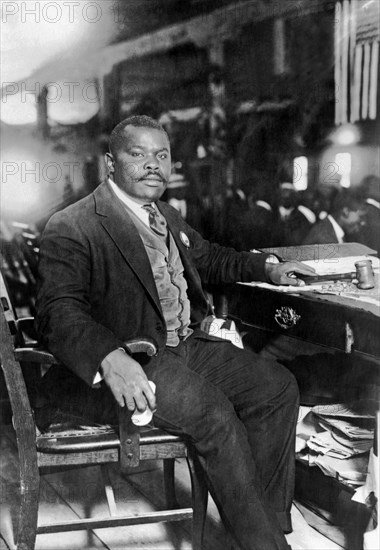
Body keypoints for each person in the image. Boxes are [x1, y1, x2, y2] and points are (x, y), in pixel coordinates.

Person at [35, 115, 316, 550]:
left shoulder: (163, 215)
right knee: (216, 418)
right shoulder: (73, 224)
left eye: (161, 155)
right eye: (138, 154)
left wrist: (269, 268)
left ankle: (264, 525)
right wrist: (110, 358)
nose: (153, 165)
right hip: (135, 357)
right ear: (111, 163)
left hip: (183, 345)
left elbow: (210, 259)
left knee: (276, 388)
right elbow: (58, 312)